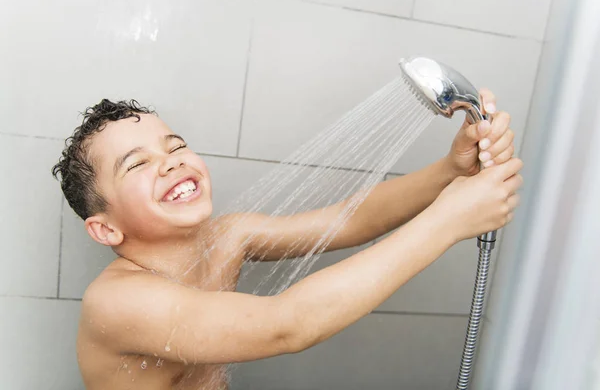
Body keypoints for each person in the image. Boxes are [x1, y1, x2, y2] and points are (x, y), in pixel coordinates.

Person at [52, 91, 522, 390]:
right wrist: (448, 221)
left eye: (175, 146)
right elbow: (288, 324)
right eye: (137, 164)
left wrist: (449, 172)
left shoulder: (226, 237)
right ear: (106, 229)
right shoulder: (117, 303)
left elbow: (346, 220)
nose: (171, 161)